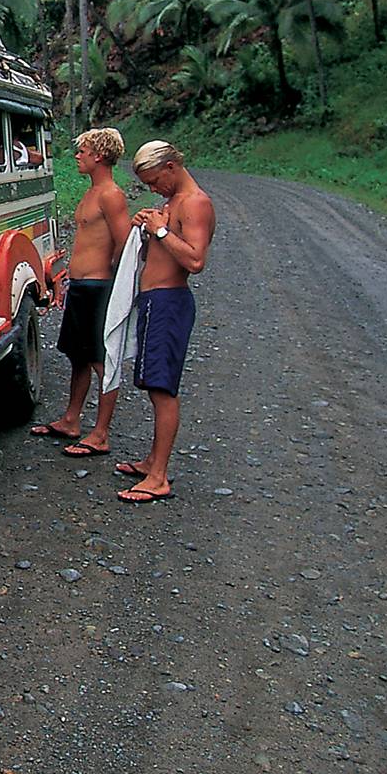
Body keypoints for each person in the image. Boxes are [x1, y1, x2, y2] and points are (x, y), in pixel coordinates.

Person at [114, 140, 214, 503]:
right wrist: (149, 224)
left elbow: (195, 260)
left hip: (171, 302)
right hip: (156, 301)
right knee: (151, 382)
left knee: (162, 388)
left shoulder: (195, 203)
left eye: (156, 181)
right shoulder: (173, 203)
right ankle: (152, 461)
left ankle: (159, 477)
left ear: (172, 167)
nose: (153, 189)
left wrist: (159, 230)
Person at [29, 127, 130, 456]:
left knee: (102, 360)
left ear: (99, 156)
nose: (77, 156)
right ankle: (72, 419)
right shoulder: (91, 192)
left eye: (83, 151)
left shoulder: (110, 195)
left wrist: (108, 278)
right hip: (82, 285)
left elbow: (124, 242)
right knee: (78, 356)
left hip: (99, 287)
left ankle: (100, 433)